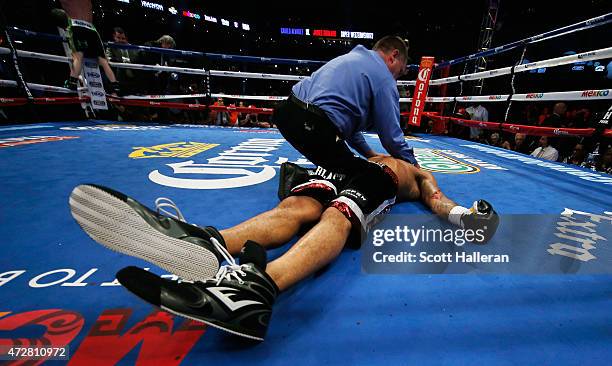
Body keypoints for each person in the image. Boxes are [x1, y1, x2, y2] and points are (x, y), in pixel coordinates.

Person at [68, 36, 498, 340]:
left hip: (366, 174)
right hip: (352, 167)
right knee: (296, 209)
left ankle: (254, 282)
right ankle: (209, 243)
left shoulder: (411, 169)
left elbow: (436, 199)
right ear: (394, 56)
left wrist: (464, 216)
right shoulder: (391, 144)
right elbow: (388, 137)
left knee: (331, 214)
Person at [51, 2, 120, 95]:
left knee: (78, 57)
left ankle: (72, 82)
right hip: (91, 29)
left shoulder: (67, 7)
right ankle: (115, 84)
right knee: (103, 61)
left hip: (76, 26)